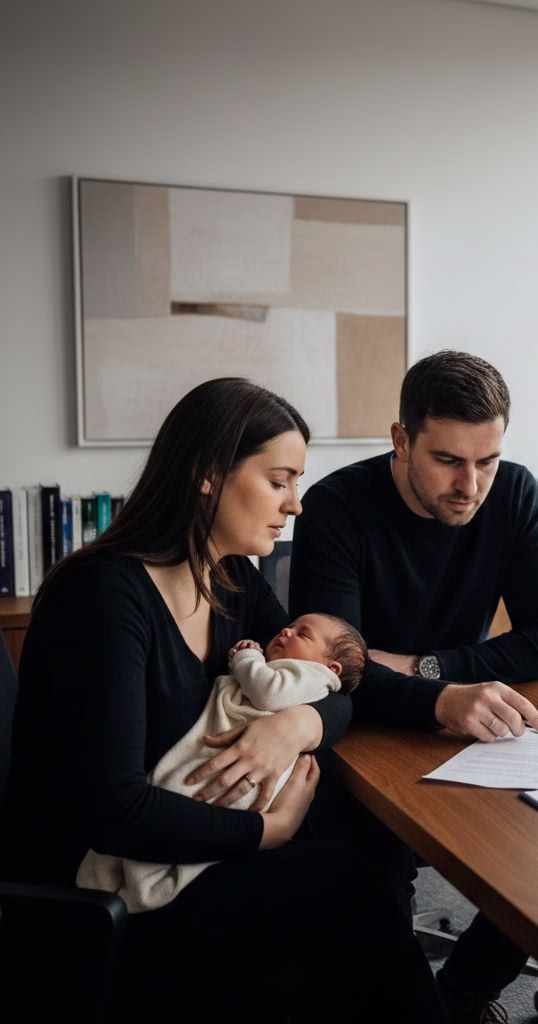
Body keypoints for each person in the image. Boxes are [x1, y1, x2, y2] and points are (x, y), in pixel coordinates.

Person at [3, 378, 445, 1023]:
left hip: (195, 855)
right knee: (347, 900)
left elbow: (337, 684)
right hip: (115, 889)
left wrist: (295, 723)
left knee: (354, 889)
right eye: (279, 480)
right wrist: (268, 831)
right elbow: (114, 809)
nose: (295, 505)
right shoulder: (103, 598)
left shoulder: (230, 577)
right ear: (208, 475)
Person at [290, 349, 538, 1024]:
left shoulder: (514, 493)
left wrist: (424, 669)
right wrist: (436, 693)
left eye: (487, 460)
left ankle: (464, 993)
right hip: (360, 741)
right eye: (448, 460)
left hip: (460, 724)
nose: (470, 484)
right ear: (401, 439)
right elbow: (333, 676)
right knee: (369, 897)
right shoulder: (336, 506)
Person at [76, 613, 367, 914]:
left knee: (351, 878)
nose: (285, 630)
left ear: (331, 668)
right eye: (290, 626)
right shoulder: (119, 607)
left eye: (301, 634)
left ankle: (140, 876)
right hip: (158, 820)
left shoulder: (307, 673)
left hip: (240, 799)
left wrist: (248, 660)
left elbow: (277, 692)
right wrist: (277, 827)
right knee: (349, 881)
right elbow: (120, 809)